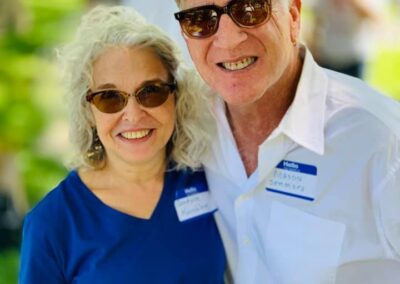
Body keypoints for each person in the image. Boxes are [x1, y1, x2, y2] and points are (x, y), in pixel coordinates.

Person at [173, 0, 400, 283]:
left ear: (293, 17)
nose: (229, 40)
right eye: (200, 19)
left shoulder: (384, 140)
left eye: (251, 10)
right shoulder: (188, 123)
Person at [19, 5, 226, 283]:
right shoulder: (53, 223)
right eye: (110, 98)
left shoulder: (211, 177)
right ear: (89, 112)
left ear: (176, 97)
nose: (133, 115)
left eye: (151, 92)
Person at [305, 0, 386, 79]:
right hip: (328, 57)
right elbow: (317, 23)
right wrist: (314, 49)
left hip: (354, 58)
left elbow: (376, 18)